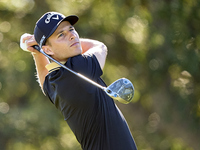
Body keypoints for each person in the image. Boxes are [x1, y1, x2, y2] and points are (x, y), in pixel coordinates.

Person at [21, 12, 137, 150]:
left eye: (71, 29)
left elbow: (45, 80)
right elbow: (100, 47)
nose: (72, 35)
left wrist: (37, 52)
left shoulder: (57, 80)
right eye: (61, 35)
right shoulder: (78, 69)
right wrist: (38, 46)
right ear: (48, 49)